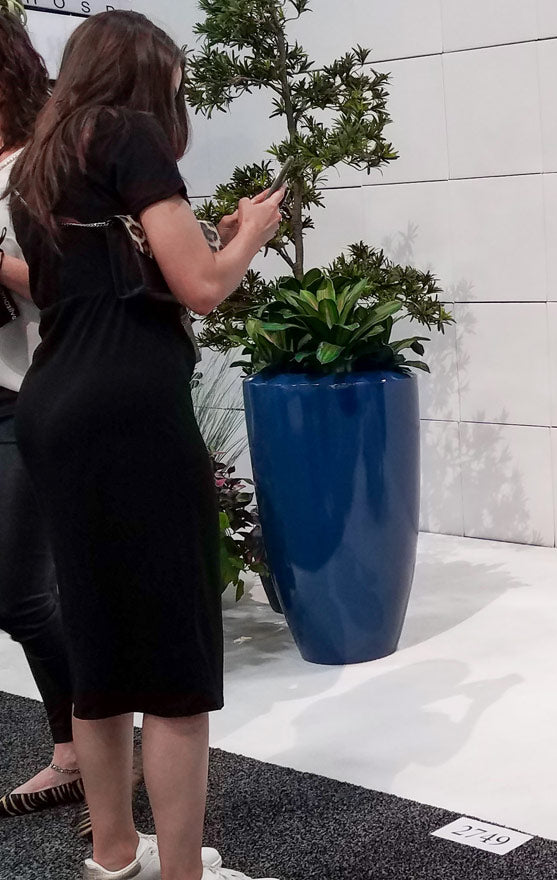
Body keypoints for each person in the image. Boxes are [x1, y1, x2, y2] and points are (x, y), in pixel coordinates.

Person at [7, 10, 283, 880]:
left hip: (53, 403)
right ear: (148, 74)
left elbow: (77, 285)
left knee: (98, 653)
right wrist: (250, 235)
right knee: (172, 665)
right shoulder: (125, 133)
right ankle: (183, 875)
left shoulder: (39, 163)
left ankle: (115, 858)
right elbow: (200, 287)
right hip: (130, 409)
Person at [0, 8, 84, 819]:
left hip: (36, 393)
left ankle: (91, 748)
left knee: (22, 593)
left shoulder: (37, 168)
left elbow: (70, 284)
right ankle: (74, 752)